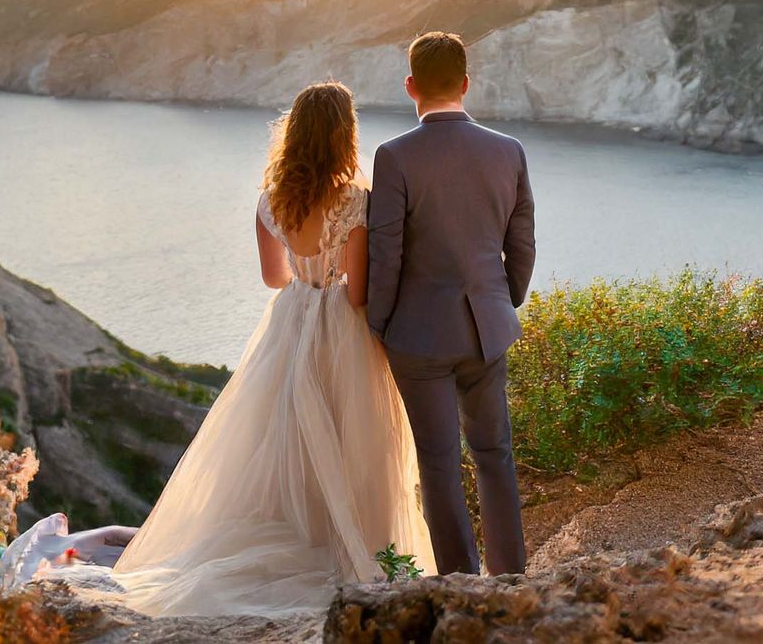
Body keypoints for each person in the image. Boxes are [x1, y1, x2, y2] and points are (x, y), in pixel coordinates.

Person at [106, 82, 433, 615]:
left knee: (287, 439)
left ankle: (303, 539)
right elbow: (358, 292)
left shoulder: (269, 199)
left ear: (294, 135)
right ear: (342, 136)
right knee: (358, 445)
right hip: (341, 328)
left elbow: (272, 278)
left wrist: (307, 278)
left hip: (291, 323)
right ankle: (358, 552)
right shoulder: (356, 200)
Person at [367, 31, 534, 577]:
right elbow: (522, 245)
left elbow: (386, 252)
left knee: (438, 464)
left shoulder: (393, 156)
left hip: (418, 336)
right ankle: (510, 575)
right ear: (465, 83)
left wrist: (382, 321)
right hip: (487, 327)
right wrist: (500, 305)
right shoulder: (509, 151)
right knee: (495, 454)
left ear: (410, 85)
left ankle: (460, 581)